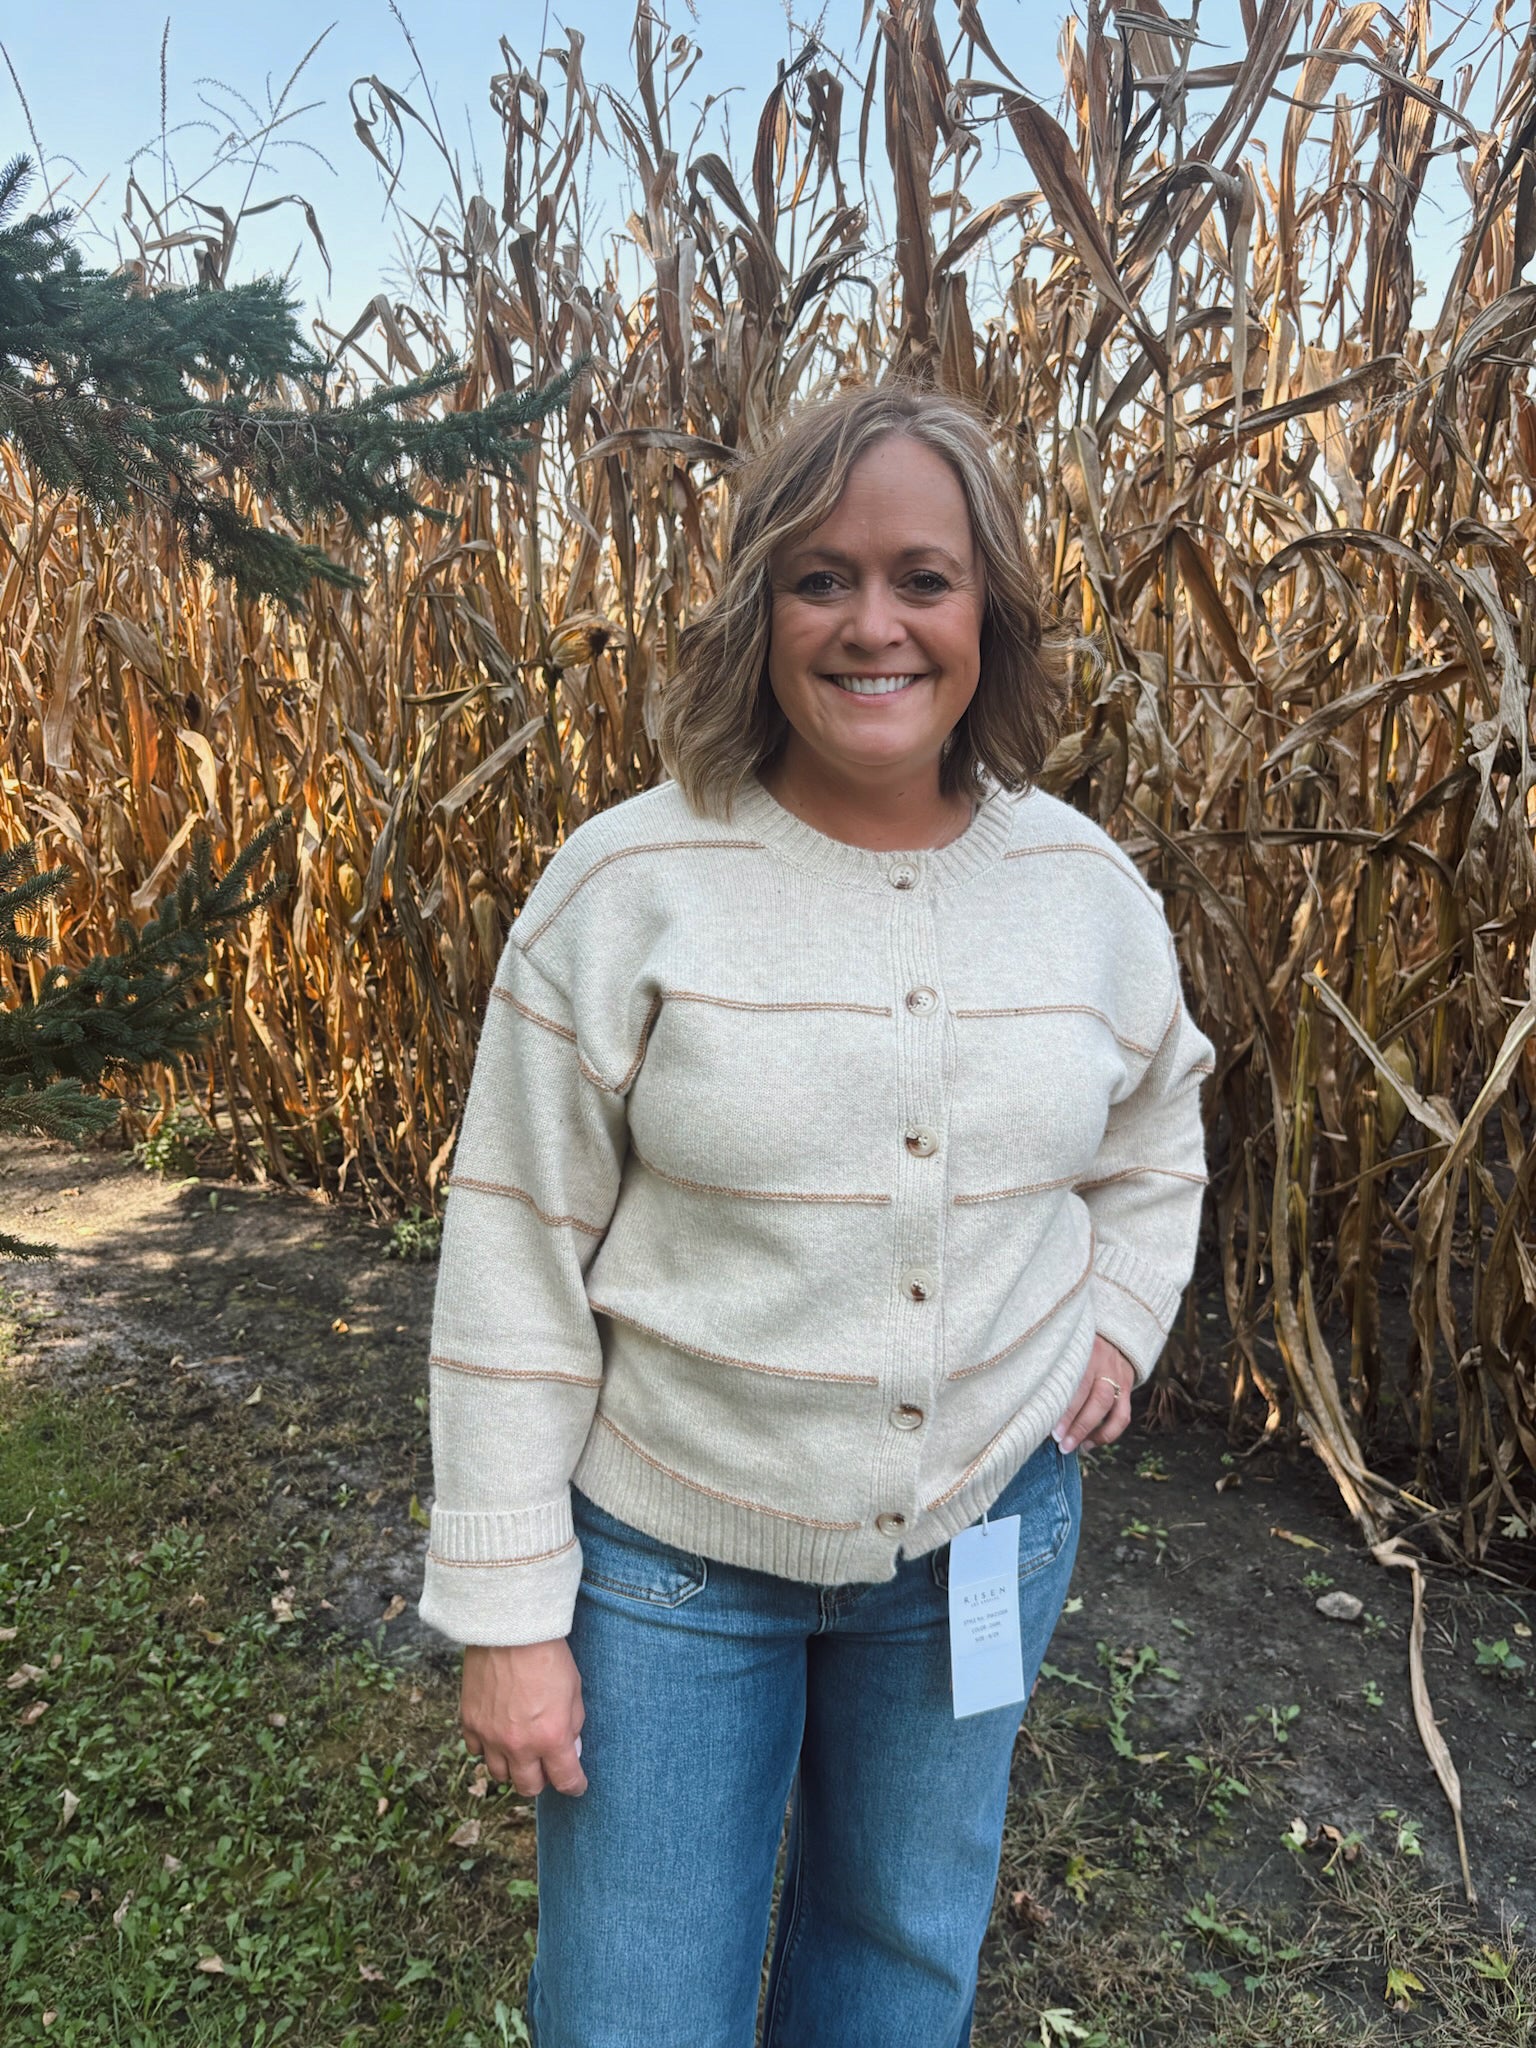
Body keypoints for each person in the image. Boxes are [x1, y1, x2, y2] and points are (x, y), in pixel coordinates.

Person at [418, 384, 1212, 2048]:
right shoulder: (627, 889)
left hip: (985, 1534)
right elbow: (511, 1254)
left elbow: (1157, 1123)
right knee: (635, 2011)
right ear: (757, 608)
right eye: (820, 578)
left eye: (924, 579)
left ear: (987, 612)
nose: (874, 625)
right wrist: (508, 1615)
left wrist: (1125, 1311)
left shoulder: (1083, 892)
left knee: (901, 1966)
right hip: (670, 1570)